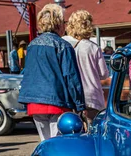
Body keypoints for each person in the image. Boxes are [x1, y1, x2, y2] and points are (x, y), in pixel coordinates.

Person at [18, 3, 85, 141]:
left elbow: (28, 73)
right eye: (64, 22)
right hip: (57, 101)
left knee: (45, 141)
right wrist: (80, 105)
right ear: (58, 24)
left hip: (35, 101)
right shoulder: (63, 46)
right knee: (58, 142)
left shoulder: (32, 45)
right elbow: (71, 77)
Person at [63, 10, 110, 124]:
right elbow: (104, 74)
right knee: (94, 128)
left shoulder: (68, 47)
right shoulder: (93, 48)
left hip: (74, 94)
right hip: (92, 94)